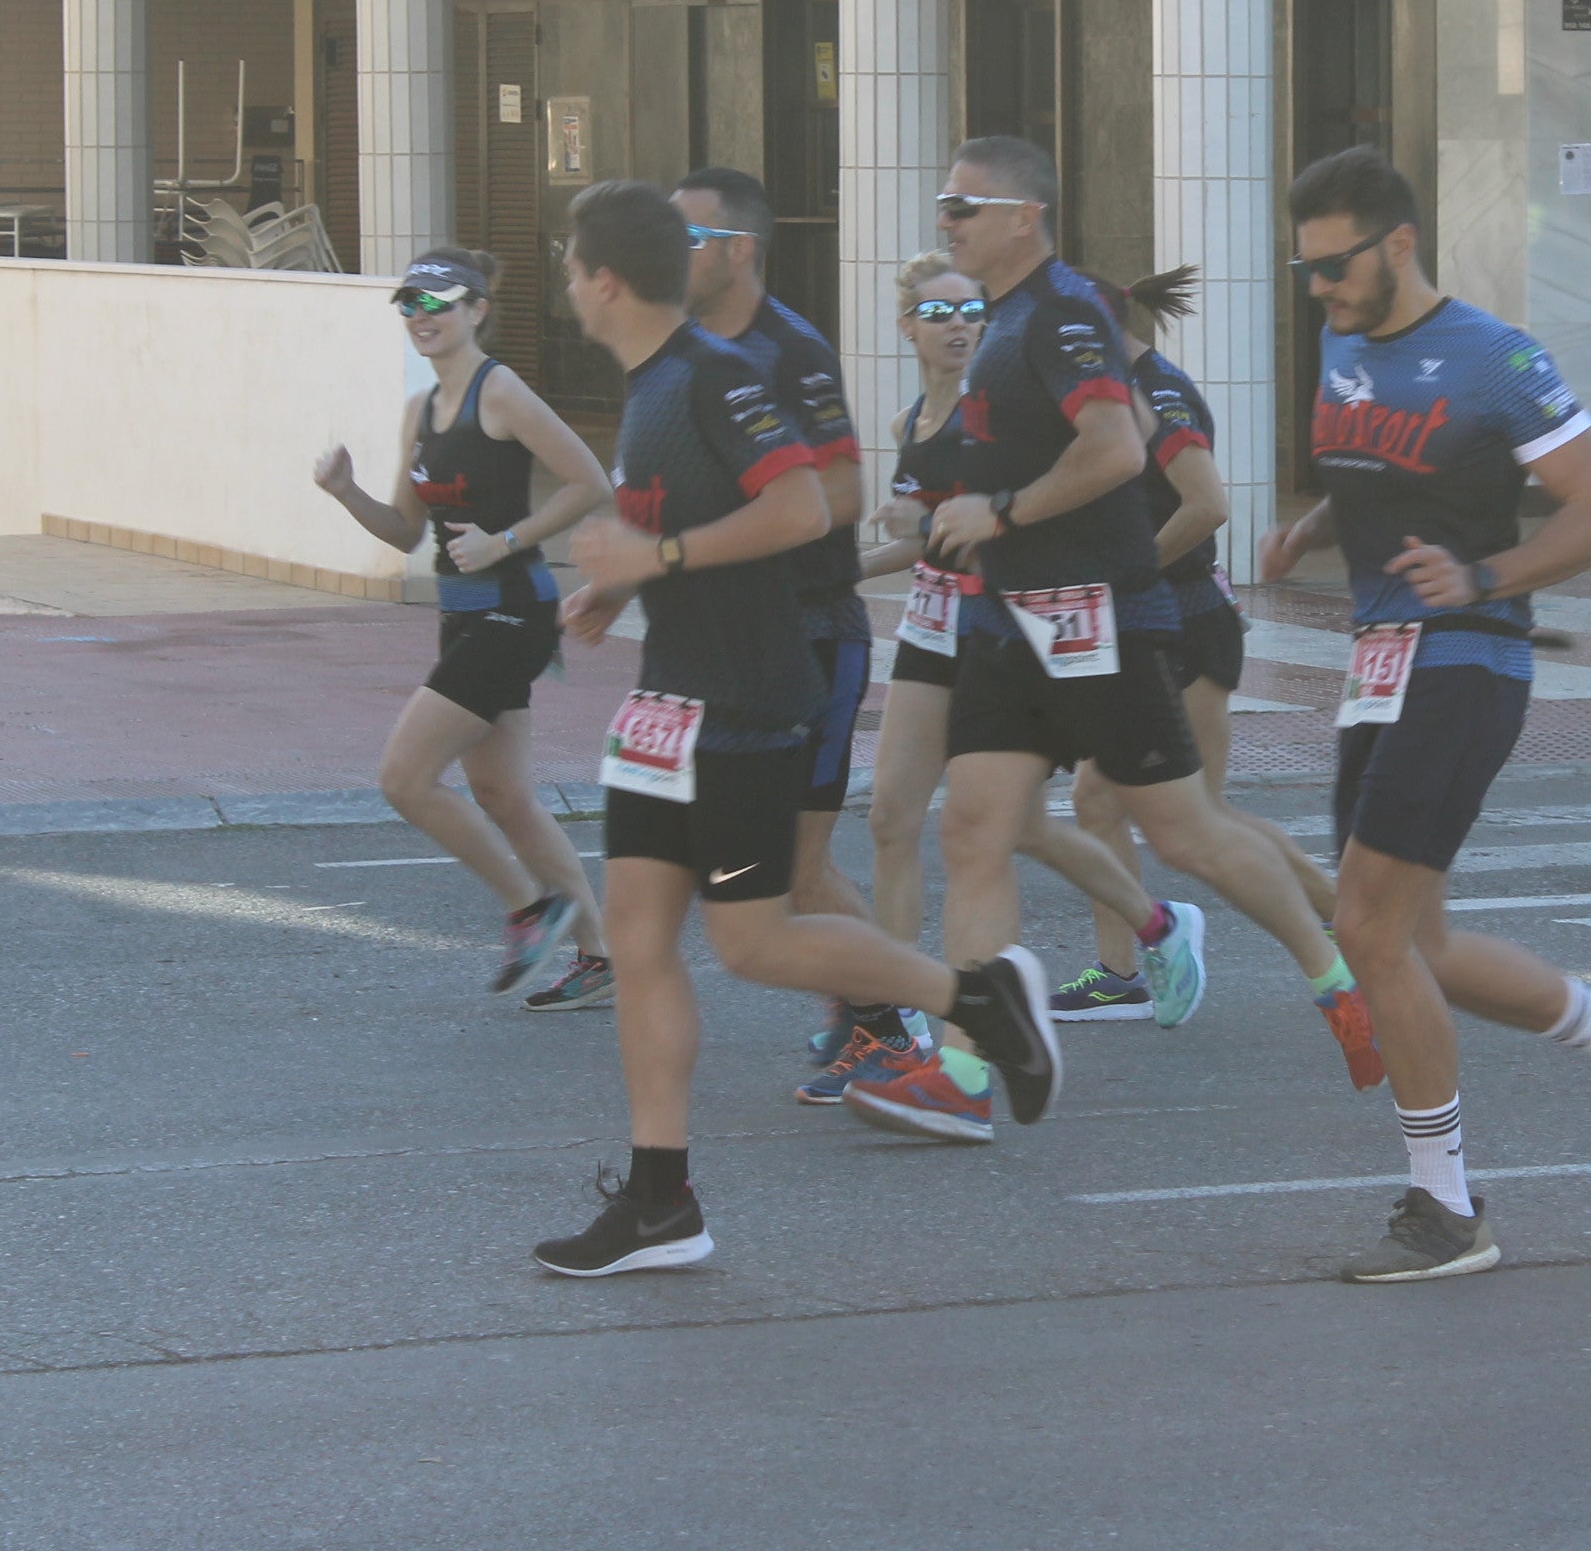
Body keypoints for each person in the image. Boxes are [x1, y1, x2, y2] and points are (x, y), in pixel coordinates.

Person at [532, 181, 1061, 1277]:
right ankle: (659, 1202)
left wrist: (656, 560)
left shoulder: (717, 377)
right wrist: (616, 588)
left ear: (604, 280)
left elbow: (802, 507)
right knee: (636, 944)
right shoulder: (646, 387)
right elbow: (673, 515)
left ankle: (974, 996)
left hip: (743, 701)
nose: (566, 284)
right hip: (663, 703)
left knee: (752, 942)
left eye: (569, 265)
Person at [1262, 146, 1591, 1284]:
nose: (1317, 291)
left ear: (1399, 245)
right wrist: (1318, 527)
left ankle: (1445, 1210)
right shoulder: (1342, 342)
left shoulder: (1496, 359)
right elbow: (1379, 467)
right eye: (1305, 271)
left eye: (1332, 268)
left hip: (1466, 664)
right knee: (1420, 947)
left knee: (1366, 930)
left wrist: (1487, 577)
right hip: (1379, 663)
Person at [843, 137, 1349, 1147]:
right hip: (1009, 620)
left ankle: (1343, 978)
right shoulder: (1003, 323)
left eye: (962, 206)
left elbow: (1113, 450)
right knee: (975, 828)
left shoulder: (1065, 311)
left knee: (1183, 831)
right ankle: (966, 1071)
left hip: (1100, 619)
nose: (946, 221)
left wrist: (1006, 511)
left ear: (1022, 217)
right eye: (944, 206)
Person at [820, 251, 1210, 1118]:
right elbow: (931, 537)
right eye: (937, 313)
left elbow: (1078, 479)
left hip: (1009, 621)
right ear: (907, 328)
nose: (957, 325)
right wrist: (837, 569)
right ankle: (900, 1026)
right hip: (934, 619)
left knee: (1019, 825)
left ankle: (1154, 925)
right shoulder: (908, 417)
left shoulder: (1015, 406)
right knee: (891, 817)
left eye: (970, 311)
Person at [1050, 267, 1385, 1088]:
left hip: (1185, 622)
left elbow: (1206, 506)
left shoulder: (1157, 392)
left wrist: (1118, 575)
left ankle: (1349, 933)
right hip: (1145, 623)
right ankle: (1121, 970)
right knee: (1100, 799)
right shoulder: (1110, 389)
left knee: (1200, 821)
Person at [311, 246, 613, 1002]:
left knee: (405, 779)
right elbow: (406, 532)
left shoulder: (500, 390)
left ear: (477, 309)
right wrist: (346, 493)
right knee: (503, 793)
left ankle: (528, 910)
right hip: (465, 615)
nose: (423, 317)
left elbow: (589, 481)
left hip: (516, 611)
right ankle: (601, 958)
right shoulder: (422, 408)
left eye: (439, 303)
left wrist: (504, 541)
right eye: (410, 304)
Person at [645, 167, 884, 1041]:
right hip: (726, 645)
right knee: (717, 866)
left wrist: (716, 535)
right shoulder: (682, 353)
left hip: (814, 635)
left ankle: (894, 1026)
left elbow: (846, 491)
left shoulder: (791, 350)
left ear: (740, 251)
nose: (673, 257)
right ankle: (873, 1018)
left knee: (801, 870)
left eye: (691, 241)